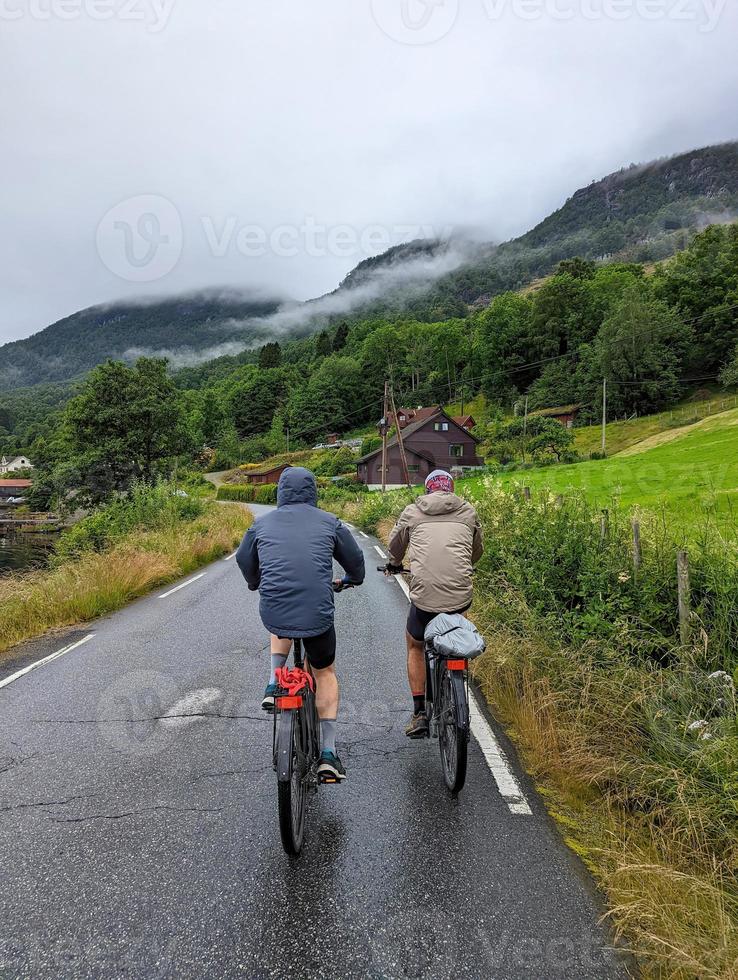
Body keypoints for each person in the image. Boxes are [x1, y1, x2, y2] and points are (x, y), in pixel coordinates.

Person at [236, 467, 365, 781]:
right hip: (317, 615)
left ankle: (272, 682)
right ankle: (329, 755)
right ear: (312, 492)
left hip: (276, 611)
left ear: (280, 492)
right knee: (325, 672)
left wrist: (256, 582)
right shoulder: (329, 522)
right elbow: (356, 562)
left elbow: (243, 559)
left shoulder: (261, 524)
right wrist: (351, 579)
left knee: (281, 620)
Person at [387, 468, 483, 738]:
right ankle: (457, 672)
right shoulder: (468, 511)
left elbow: (395, 547)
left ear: (428, 490)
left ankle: (419, 713)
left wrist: (394, 565)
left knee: (415, 644)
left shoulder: (412, 512)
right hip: (459, 594)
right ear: (451, 489)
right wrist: (465, 564)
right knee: (457, 621)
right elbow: (477, 550)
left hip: (425, 597)